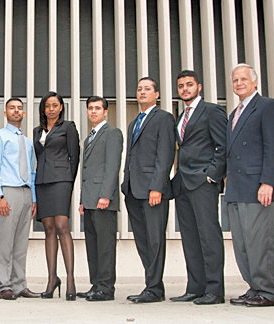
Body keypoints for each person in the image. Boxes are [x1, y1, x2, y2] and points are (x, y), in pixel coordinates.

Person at [226, 63, 274, 307]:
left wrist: (267, 182)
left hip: (257, 188)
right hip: (236, 188)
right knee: (242, 244)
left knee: (260, 242)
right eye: (235, 80)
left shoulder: (267, 106)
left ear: (255, 81)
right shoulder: (234, 113)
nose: (239, 83)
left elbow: (273, 148)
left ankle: (268, 292)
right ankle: (255, 287)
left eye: (243, 79)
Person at [170, 70, 227, 305]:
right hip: (183, 184)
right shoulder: (180, 117)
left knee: (209, 236)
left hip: (203, 183)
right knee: (190, 238)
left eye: (189, 85)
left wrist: (211, 177)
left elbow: (222, 147)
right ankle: (195, 287)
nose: (185, 89)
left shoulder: (212, 111)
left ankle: (215, 290)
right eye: (181, 86)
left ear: (199, 87)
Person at [122, 77, 176, 303]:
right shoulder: (134, 123)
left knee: (155, 240)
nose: (142, 92)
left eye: (147, 89)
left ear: (157, 94)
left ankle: (154, 289)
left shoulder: (164, 118)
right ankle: (152, 285)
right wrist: (125, 184)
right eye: (139, 89)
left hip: (153, 191)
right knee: (143, 240)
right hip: (133, 191)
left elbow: (165, 155)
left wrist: (158, 187)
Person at [0, 97, 41, 300]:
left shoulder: (27, 142)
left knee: (20, 242)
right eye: (12, 108)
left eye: (19, 108)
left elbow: (32, 171)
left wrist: (33, 198)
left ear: (24, 114)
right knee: (4, 241)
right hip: (7, 192)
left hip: (26, 194)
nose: (16, 111)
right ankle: (4, 286)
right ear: (5, 113)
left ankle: (19, 285)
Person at [33, 92, 80, 300]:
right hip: (42, 182)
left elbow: (74, 156)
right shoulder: (37, 131)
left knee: (62, 226)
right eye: (47, 106)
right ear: (43, 109)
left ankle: (70, 280)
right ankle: (52, 279)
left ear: (61, 107)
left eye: (55, 105)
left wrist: (68, 181)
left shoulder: (68, 127)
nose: (51, 109)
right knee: (49, 228)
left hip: (61, 181)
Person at [76, 96, 123, 302]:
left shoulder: (112, 133)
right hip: (89, 200)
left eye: (97, 108)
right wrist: (82, 200)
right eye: (90, 108)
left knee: (105, 246)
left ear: (106, 112)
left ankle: (106, 288)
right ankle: (96, 285)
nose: (93, 111)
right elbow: (86, 171)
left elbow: (112, 166)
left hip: (104, 200)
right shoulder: (89, 138)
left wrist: (105, 195)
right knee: (92, 245)